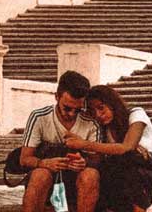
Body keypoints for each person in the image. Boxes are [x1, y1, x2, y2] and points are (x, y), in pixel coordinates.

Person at [67, 85, 152, 212]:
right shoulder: (103, 129)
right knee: (107, 167)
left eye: (101, 108)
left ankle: (139, 208)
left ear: (112, 103)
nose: (98, 115)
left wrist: (84, 144)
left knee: (125, 156)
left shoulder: (136, 114)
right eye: (93, 111)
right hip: (126, 176)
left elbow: (126, 147)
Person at [19, 71, 102, 212]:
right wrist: (44, 163)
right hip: (47, 176)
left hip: (78, 179)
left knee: (90, 175)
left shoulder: (91, 123)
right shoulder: (40, 117)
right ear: (56, 97)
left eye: (77, 110)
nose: (71, 114)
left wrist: (84, 162)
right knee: (40, 175)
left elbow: (98, 160)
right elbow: (24, 158)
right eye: (67, 108)